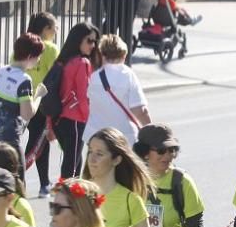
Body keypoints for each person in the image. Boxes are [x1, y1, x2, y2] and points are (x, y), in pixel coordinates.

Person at [0, 34, 46, 181]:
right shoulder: (24, 80)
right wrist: (39, 95)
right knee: (17, 184)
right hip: (10, 141)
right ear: (29, 56)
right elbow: (27, 114)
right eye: (37, 56)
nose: (38, 60)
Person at [84, 35, 150, 145]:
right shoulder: (128, 75)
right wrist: (151, 133)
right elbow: (140, 110)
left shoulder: (93, 77)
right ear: (124, 55)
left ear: (102, 55)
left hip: (95, 136)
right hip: (122, 137)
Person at [54, 23, 100, 179]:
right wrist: (91, 120)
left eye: (95, 42)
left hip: (61, 117)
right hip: (75, 118)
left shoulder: (65, 60)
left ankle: (69, 194)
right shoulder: (82, 62)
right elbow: (83, 95)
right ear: (78, 39)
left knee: (74, 160)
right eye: (89, 41)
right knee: (72, 165)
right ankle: (69, 196)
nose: (93, 45)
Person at [22, 12, 60, 196]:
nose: (57, 31)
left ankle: (44, 183)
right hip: (42, 102)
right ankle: (17, 174)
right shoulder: (50, 49)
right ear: (46, 29)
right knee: (37, 143)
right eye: (55, 28)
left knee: (40, 141)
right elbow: (57, 76)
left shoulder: (22, 44)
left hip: (21, 100)